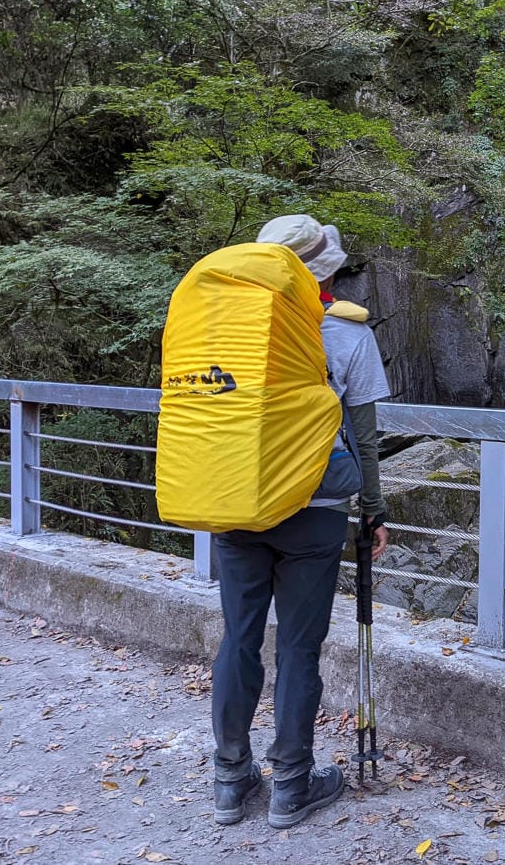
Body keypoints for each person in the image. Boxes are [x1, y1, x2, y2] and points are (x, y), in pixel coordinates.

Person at [211, 214, 391, 828]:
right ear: (326, 271)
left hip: (235, 501)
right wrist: (374, 512)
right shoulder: (345, 334)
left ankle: (230, 781)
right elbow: (364, 442)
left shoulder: (228, 327)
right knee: (298, 648)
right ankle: (291, 785)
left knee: (238, 638)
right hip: (313, 515)